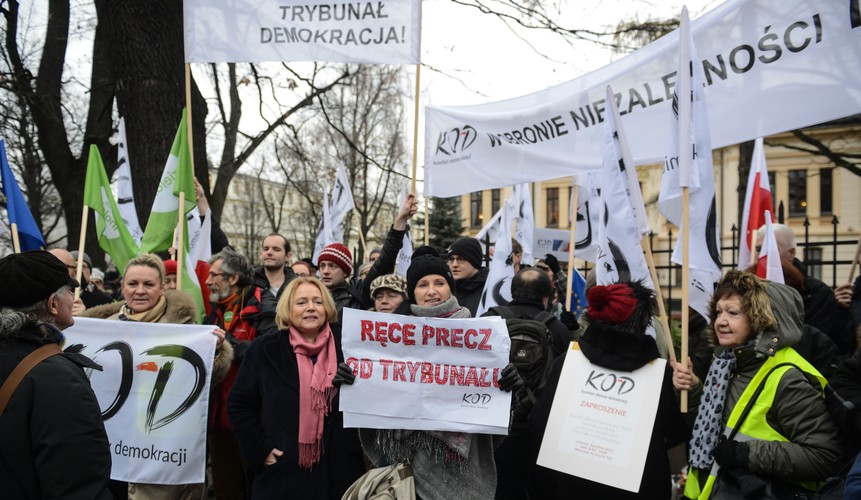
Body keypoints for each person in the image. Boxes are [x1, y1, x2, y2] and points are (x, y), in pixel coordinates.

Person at [352, 255, 522, 500]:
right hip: (407, 471)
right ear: (413, 292)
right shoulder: (390, 339)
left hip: (463, 469)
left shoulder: (480, 337)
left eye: (439, 283)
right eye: (423, 285)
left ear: (450, 287)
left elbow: (492, 412)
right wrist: (355, 382)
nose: (432, 291)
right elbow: (377, 399)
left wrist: (509, 390)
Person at [672, 270, 842, 499]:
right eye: (719, 312)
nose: (721, 321)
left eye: (733, 313)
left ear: (760, 320)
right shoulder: (727, 363)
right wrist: (693, 391)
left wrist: (746, 453)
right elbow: (712, 435)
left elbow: (825, 456)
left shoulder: (787, 378)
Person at [82, 253, 234, 499]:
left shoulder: (184, 330)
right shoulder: (105, 328)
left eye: (148, 284)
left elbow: (205, 382)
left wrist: (214, 352)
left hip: (160, 451)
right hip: (111, 446)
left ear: (162, 288)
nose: (139, 291)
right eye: (133, 284)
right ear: (122, 287)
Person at [227, 277, 365, 498]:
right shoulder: (264, 349)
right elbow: (239, 404)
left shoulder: (349, 346)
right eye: (301, 302)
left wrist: (356, 383)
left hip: (341, 474)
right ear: (287, 308)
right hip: (283, 475)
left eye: (318, 302)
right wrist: (261, 450)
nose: (311, 307)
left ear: (327, 307)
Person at [0, 251, 112, 499]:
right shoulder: (58, 379)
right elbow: (78, 484)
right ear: (52, 304)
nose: (74, 298)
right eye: (70, 291)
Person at [482, 267, 573, 500]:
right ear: (547, 297)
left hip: (493, 431)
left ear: (512, 291)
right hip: (538, 435)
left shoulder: (489, 320)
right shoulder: (559, 329)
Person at [205, 247, 273, 498]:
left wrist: (228, 343)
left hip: (251, 421)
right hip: (217, 418)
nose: (207, 281)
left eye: (214, 275)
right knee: (226, 488)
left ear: (232, 278)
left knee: (256, 488)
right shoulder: (216, 309)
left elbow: (266, 354)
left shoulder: (264, 306)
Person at [755, 223, 850, 353]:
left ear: (791, 253)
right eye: (758, 249)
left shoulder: (817, 293)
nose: (762, 255)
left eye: (769, 249)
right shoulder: (747, 290)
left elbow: (817, 344)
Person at [317, 243, 366, 321]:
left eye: (332, 266)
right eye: (322, 266)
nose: (325, 271)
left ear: (345, 272)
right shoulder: (312, 294)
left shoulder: (356, 295)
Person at [253, 233, 297, 319]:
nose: (269, 252)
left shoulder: (297, 286)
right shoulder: (249, 282)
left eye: (276, 249)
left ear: (288, 256)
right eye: (266, 249)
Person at [447, 236, 488, 316]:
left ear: (474, 261)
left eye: (461, 259)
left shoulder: (489, 289)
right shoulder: (447, 289)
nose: (454, 264)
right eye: (451, 259)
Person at [47, 248, 93, 315]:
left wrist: (83, 316)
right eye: (49, 264)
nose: (54, 269)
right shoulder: (32, 294)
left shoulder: (101, 300)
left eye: (63, 266)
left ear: (74, 271)